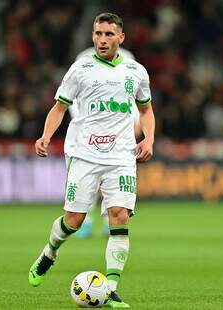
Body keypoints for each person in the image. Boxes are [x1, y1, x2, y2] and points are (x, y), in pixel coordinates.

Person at [29, 12, 155, 308]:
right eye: (98, 34)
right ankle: (49, 252)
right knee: (74, 220)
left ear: (121, 38)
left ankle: (109, 289)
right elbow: (59, 108)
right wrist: (46, 136)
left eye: (109, 34)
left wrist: (148, 139)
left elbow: (146, 110)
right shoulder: (81, 69)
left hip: (122, 154)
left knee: (120, 217)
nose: (102, 39)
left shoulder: (136, 71)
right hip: (84, 154)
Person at [70, 47, 141, 239]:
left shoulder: (128, 58)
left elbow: (131, 96)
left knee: (112, 183)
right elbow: (75, 99)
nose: (105, 39)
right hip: (88, 133)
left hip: (118, 134)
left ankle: (110, 221)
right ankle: (85, 222)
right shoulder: (83, 58)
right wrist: (85, 127)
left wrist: (134, 123)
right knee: (88, 182)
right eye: (100, 33)